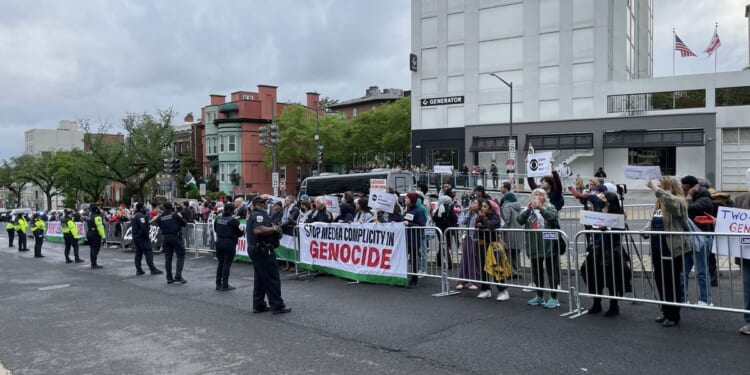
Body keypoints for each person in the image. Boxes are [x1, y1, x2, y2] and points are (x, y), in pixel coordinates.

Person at [643, 177, 690, 327]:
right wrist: (644, 230)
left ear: (669, 186)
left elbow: (672, 202)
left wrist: (655, 189)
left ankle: (673, 315)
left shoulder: (679, 200)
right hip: (657, 247)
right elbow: (653, 221)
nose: (658, 187)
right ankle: (665, 311)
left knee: (671, 281)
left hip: (672, 248)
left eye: (661, 185)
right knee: (660, 280)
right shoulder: (659, 203)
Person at [583, 191, 628, 317]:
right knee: (591, 274)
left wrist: (607, 228)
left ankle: (614, 305)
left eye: (603, 197)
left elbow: (620, 229)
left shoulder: (618, 213)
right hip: (597, 248)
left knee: (611, 278)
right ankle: (596, 302)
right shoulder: (598, 211)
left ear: (608, 200)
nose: (600, 197)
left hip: (610, 249)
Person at [517, 188, 561, 309]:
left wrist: (540, 208)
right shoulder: (528, 210)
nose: (537, 197)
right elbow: (519, 220)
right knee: (536, 272)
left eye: (540, 195)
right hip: (534, 245)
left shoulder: (550, 207)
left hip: (549, 245)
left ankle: (553, 297)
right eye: (535, 195)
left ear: (545, 197)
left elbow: (552, 218)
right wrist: (529, 209)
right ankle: (539, 295)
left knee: (552, 271)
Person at [247, 196, 291, 314]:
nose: (265, 204)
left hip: (258, 248)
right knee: (272, 278)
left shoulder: (258, 214)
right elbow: (259, 230)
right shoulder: (258, 215)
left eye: (265, 202)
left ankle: (259, 304)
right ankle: (277, 305)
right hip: (262, 249)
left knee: (261, 278)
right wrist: (274, 228)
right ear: (256, 204)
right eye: (262, 202)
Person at [680, 175, 714, 306]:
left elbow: (688, 209)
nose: (683, 191)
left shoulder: (705, 198)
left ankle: (706, 300)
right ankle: (682, 298)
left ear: (694, 187)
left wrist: (688, 196)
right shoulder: (692, 197)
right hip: (690, 239)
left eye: (685, 188)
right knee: (683, 271)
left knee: (701, 271)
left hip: (702, 238)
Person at [474, 199, 509, 301]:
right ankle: (485, 289)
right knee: (483, 268)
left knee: (496, 268)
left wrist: (483, 218)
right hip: (482, 245)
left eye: (485, 206)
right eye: (482, 206)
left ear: (490, 208)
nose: (482, 208)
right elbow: (478, 227)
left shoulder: (495, 216)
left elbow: (491, 226)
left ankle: (502, 291)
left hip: (492, 246)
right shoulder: (479, 217)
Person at [153, 202, 187, 284]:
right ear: (172, 207)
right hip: (175, 237)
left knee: (168, 258)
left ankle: (169, 277)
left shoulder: (161, 217)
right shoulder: (175, 214)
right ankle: (178, 276)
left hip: (166, 237)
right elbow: (184, 223)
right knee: (180, 255)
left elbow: (158, 224)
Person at [733, 167, 750, 335]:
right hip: (746, 252)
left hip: (745, 252)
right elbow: (732, 222)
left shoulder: (739, 199)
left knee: (748, 287)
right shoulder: (740, 199)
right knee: (748, 287)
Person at [214, 203, 244, 291]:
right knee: (226, 264)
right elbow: (239, 233)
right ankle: (225, 285)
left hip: (219, 242)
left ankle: (218, 284)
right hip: (229, 243)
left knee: (220, 263)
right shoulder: (233, 220)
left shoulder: (218, 219)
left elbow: (215, 229)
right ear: (232, 210)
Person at [499, 182, 524, 279]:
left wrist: (500, 231)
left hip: (509, 232)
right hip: (517, 232)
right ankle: (517, 271)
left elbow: (506, 220)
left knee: (508, 252)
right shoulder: (517, 206)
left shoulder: (506, 206)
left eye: (502, 187)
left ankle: (510, 272)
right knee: (516, 253)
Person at [131, 202, 163, 276]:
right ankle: (152, 269)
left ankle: (139, 270)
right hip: (142, 237)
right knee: (148, 252)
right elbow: (143, 228)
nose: (145, 208)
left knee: (138, 254)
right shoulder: (140, 216)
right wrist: (146, 236)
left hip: (136, 237)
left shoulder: (134, 215)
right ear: (141, 208)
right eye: (144, 207)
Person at [403, 192, 426, 288]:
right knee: (405, 259)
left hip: (414, 239)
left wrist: (409, 224)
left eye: (407, 198)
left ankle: (414, 279)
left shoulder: (418, 211)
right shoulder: (407, 210)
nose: (405, 200)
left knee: (413, 259)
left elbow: (421, 225)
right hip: (406, 238)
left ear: (412, 200)